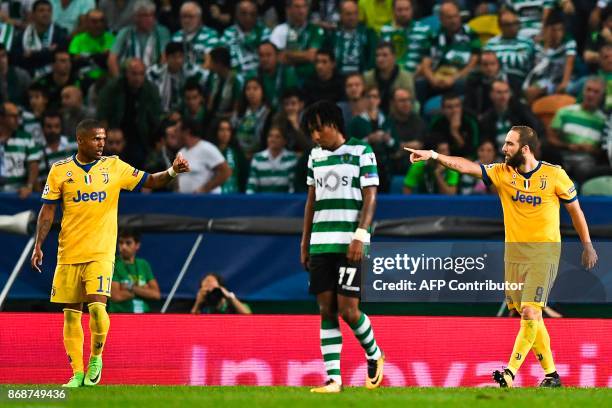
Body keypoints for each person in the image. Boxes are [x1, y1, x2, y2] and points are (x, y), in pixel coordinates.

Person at [404, 125, 598, 388]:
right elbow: (466, 167)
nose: (504, 149)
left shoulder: (555, 175)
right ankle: (551, 376)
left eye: (509, 144)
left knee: (530, 312)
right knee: (529, 315)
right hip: (514, 256)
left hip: (544, 253)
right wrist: (435, 156)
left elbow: (576, 212)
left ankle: (510, 372)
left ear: (525, 149)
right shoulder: (502, 173)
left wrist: (587, 245)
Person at [31, 119, 190, 387]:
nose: (102, 143)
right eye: (96, 139)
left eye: (103, 139)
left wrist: (172, 172)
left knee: (96, 306)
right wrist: (38, 244)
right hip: (69, 252)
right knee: (71, 313)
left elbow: (150, 181)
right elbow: (48, 211)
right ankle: (77, 373)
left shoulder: (114, 167)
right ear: (81, 140)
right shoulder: (60, 171)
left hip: (101, 252)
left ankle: (96, 357)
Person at [301, 100, 384, 393]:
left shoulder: (362, 151)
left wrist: (361, 234)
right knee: (326, 310)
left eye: (317, 129)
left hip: (351, 243)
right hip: (321, 243)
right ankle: (333, 379)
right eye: (311, 131)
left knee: (349, 310)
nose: (315, 136)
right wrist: (304, 242)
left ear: (333, 124)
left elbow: (371, 196)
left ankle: (374, 354)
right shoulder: (315, 156)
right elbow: (312, 200)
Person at [96, 58, 162, 168]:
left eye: (141, 74)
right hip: (115, 132)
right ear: (126, 74)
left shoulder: (151, 90)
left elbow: (155, 119)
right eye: (134, 74)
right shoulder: (112, 88)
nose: (138, 78)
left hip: (140, 135)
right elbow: (102, 115)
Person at [548, 77, 608, 181]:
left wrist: (592, 150)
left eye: (596, 92)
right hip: (563, 156)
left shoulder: (604, 121)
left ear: (602, 97)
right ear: (583, 92)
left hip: (587, 161)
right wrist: (569, 146)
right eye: (588, 90)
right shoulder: (565, 112)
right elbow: (550, 139)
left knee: (586, 170)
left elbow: (603, 151)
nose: (591, 95)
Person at [420, 0, 480, 100]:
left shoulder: (470, 34)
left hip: (460, 76)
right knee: (420, 84)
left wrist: (454, 78)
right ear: (441, 19)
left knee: (463, 84)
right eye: (449, 17)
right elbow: (425, 63)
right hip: (437, 76)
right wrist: (432, 79)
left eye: (456, 16)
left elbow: (474, 62)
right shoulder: (433, 36)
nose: (454, 20)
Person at [523, 10, 576, 105]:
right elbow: (534, 70)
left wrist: (564, 83)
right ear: (547, 29)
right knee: (530, 91)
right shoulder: (537, 46)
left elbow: (569, 63)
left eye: (560, 30)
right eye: (554, 30)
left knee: (569, 88)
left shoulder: (569, 42)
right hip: (544, 81)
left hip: (563, 80)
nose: (557, 34)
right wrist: (547, 45)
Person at [107, 0, 170, 76]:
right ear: (136, 17)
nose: (149, 19)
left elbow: (165, 57)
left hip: (154, 75)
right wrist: (118, 81)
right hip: (129, 76)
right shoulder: (125, 32)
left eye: (151, 15)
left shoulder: (162, 32)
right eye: (145, 15)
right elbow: (112, 60)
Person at [479, 79, 544, 152]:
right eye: (499, 92)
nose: (503, 96)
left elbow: (537, 127)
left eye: (506, 92)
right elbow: (484, 139)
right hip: (497, 155)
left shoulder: (521, 110)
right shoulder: (486, 118)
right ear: (491, 94)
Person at [484, 8, 536, 96]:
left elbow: (535, 67)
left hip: (522, 83)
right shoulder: (491, 44)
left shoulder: (528, 43)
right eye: (508, 25)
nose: (513, 27)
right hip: (495, 84)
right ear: (500, 26)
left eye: (515, 23)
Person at [11, 0, 69, 78]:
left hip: (52, 76)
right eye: (41, 10)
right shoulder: (22, 34)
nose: (46, 14)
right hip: (27, 75)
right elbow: (16, 58)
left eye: (49, 11)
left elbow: (57, 58)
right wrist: (46, 52)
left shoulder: (60, 34)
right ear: (33, 14)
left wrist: (32, 54)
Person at [146, 42, 208, 114]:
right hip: (161, 111)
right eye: (173, 57)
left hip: (185, 112)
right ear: (166, 58)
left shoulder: (191, 71)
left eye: (180, 56)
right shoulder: (154, 72)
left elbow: (207, 77)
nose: (178, 61)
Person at [109, 228, 160, 313]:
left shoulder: (143, 264)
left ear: (137, 245)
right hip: (120, 316)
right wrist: (143, 290)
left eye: (128, 243)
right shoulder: (113, 264)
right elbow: (116, 296)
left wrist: (130, 287)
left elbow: (156, 294)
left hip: (144, 315)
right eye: (121, 243)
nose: (123, 247)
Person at [270, 0, 325, 79]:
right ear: (288, 10)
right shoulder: (280, 30)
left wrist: (287, 54)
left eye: (304, 7)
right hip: (286, 80)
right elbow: (278, 58)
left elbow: (311, 56)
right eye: (297, 7)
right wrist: (304, 55)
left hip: (310, 79)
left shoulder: (316, 30)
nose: (301, 10)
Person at [176, 118, 231, 194]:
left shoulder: (207, 148)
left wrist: (204, 189)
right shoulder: (181, 152)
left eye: (177, 131)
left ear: (186, 132)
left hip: (207, 202)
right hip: (187, 203)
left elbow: (226, 172)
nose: (175, 134)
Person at [0, 102, 41, 197]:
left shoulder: (26, 138)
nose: (17, 120)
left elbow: (33, 164)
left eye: (18, 116)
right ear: (1, 118)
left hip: (18, 193)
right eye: (13, 116)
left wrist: (29, 186)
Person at [327, 0, 377, 75]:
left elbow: (373, 59)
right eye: (348, 14)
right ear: (341, 15)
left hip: (362, 76)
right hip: (338, 78)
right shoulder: (333, 36)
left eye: (355, 13)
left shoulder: (368, 33)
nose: (352, 17)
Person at [379, 0, 430, 74]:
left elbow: (428, 56)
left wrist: (421, 70)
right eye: (399, 10)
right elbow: (381, 56)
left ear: (412, 10)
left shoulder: (424, 30)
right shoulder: (385, 30)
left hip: (417, 76)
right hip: (390, 76)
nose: (403, 13)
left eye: (407, 9)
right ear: (393, 11)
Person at [221, 0, 270, 74]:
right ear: (237, 14)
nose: (248, 17)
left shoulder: (264, 32)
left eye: (252, 14)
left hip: (259, 78)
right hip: (234, 77)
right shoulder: (228, 33)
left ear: (257, 15)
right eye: (244, 13)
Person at [363, 42, 414, 114]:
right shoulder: (368, 77)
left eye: (385, 55)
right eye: (377, 56)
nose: (380, 59)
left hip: (398, 116)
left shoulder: (405, 77)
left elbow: (411, 101)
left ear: (394, 57)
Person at [68, 9, 115, 82]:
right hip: (82, 79)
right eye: (94, 21)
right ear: (87, 23)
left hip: (105, 80)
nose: (99, 25)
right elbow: (74, 60)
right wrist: (99, 56)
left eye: (101, 21)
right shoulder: (78, 39)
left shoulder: (111, 39)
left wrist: (86, 56)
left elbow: (112, 61)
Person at [247, 127, 297, 194]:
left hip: (285, 202)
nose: (273, 139)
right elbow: (251, 186)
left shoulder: (291, 158)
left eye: (277, 137)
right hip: (261, 202)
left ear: (284, 141)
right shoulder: (257, 158)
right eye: (270, 136)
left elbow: (292, 188)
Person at [387, 87, 426, 175]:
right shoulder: (386, 122)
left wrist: (399, 146)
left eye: (409, 100)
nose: (407, 103)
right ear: (392, 103)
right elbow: (389, 150)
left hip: (414, 165)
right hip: (392, 168)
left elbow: (418, 146)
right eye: (402, 101)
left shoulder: (418, 121)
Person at [429, 92, 480, 158]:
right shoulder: (436, 123)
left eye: (457, 106)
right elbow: (434, 149)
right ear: (443, 109)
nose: (454, 110)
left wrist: (455, 133)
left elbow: (473, 152)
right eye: (449, 107)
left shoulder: (470, 121)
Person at [231, 77, 271, 159]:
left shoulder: (270, 113)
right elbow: (232, 132)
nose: (251, 92)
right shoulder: (239, 111)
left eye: (255, 88)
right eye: (248, 89)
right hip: (239, 154)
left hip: (261, 155)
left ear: (262, 91)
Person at [253, 41, 298, 110]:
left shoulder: (287, 72)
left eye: (268, 55)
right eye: (261, 55)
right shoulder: (255, 74)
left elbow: (292, 98)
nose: (265, 59)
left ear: (277, 56)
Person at [171, 1, 218, 66]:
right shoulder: (175, 37)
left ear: (199, 18)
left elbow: (210, 63)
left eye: (190, 16)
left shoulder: (210, 36)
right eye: (184, 16)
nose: (186, 20)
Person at [38, 109, 77, 184]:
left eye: (56, 126)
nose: (53, 130)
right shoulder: (37, 151)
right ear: (42, 128)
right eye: (49, 127)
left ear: (61, 127)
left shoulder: (74, 145)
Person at [464, 51, 508, 117]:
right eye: (485, 64)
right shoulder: (473, 82)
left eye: (492, 64)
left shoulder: (508, 81)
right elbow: (469, 106)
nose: (489, 68)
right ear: (480, 66)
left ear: (498, 64)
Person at [204, 47, 242, 122]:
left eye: (211, 62)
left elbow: (236, 111)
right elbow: (209, 105)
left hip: (227, 120)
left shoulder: (235, 81)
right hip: (213, 117)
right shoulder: (213, 78)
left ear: (219, 64)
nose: (209, 65)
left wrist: (220, 116)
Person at [210, 118, 248, 194]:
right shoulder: (209, 152)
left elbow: (244, 177)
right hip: (213, 196)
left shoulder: (237, 153)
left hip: (234, 197)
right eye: (222, 130)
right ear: (216, 132)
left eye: (228, 130)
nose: (225, 133)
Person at [272, 88, 311, 153]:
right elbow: (274, 142)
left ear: (301, 105)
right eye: (286, 104)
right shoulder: (279, 118)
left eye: (293, 103)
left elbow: (311, 147)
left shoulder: (309, 119)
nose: (289, 108)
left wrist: (296, 127)